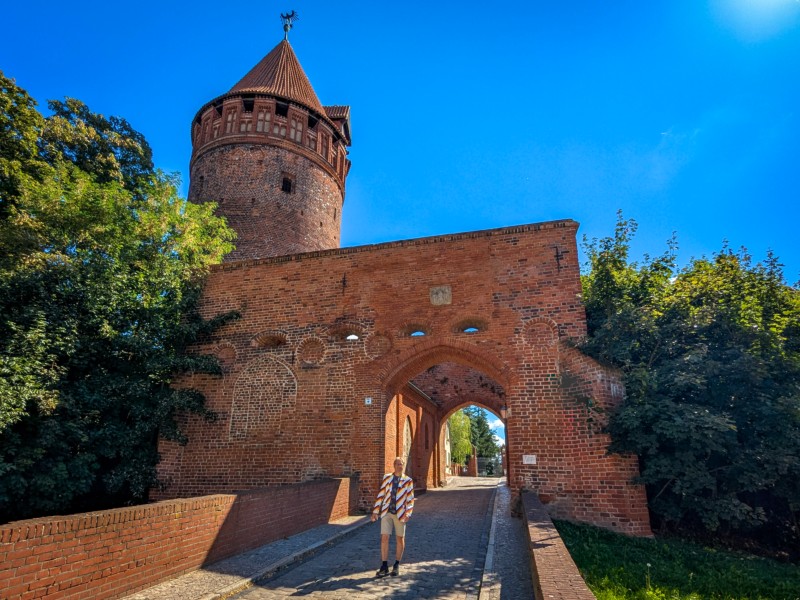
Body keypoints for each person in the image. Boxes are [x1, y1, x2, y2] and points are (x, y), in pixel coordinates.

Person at [371, 457, 414, 577]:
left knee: (400, 539)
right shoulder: (387, 478)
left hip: (400, 514)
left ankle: (396, 565)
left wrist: (408, 513)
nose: (400, 466)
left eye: (402, 464)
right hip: (386, 512)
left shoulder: (408, 480)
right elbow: (381, 494)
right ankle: (384, 565)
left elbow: (410, 499)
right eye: (398, 464)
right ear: (394, 465)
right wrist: (375, 511)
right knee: (384, 537)